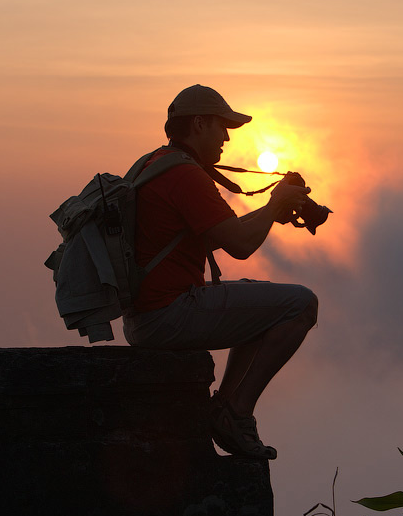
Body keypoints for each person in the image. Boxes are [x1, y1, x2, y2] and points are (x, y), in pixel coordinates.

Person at [122, 85, 319, 460]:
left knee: (257, 299)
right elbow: (241, 247)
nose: (227, 137)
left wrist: (272, 211)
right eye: (222, 126)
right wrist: (275, 203)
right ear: (199, 124)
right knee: (301, 304)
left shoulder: (155, 164)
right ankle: (236, 412)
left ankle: (226, 406)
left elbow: (214, 236)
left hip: (145, 316)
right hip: (168, 314)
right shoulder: (185, 175)